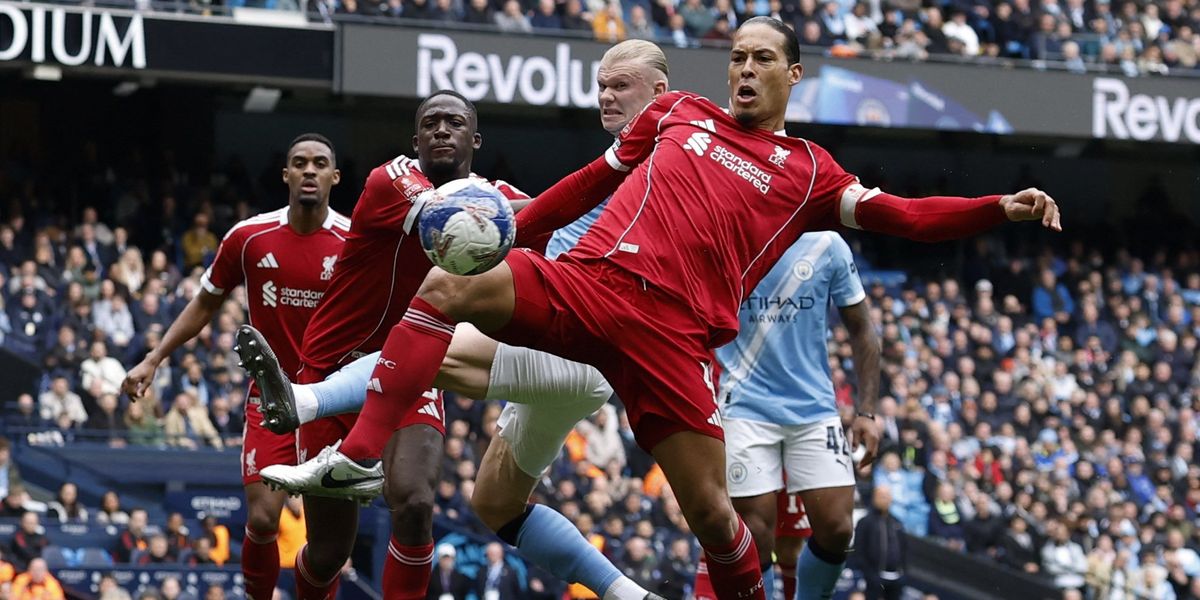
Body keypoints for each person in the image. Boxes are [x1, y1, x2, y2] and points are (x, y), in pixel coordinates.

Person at [268, 18, 1061, 598]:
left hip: (673, 337)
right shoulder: (678, 114)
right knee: (443, 291)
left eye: (762, 61)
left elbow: (909, 216)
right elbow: (585, 184)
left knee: (719, 522)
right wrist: (512, 230)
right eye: (737, 58)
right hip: (590, 284)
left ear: (793, 76)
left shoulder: (811, 172)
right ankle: (361, 451)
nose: (744, 71)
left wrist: (1001, 205)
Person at [253, 45, 671, 600]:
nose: (442, 132)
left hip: (417, 363)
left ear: (475, 141)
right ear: (415, 140)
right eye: (430, 124)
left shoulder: (498, 198)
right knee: (329, 552)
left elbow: (547, 218)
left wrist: (627, 187)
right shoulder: (390, 181)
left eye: (455, 124)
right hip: (333, 365)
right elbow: (467, 219)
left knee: (417, 505)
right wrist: (604, 171)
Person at [121, 133, 350, 600]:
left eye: (320, 163)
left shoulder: (353, 242)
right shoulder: (248, 236)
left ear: (335, 176)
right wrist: (155, 356)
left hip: (331, 401)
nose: (309, 171)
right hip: (271, 396)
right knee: (264, 519)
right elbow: (204, 303)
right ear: (286, 174)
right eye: (300, 163)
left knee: (325, 549)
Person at [693, 227, 880, 600]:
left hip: (815, 408)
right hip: (744, 407)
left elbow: (862, 329)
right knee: (755, 535)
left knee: (838, 527)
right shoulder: (728, 234)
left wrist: (867, 413)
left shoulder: (828, 245)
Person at [854, 487, 906, 600]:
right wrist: (870, 575)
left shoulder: (897, 522)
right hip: (874, 577)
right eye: (882, 496)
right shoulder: (865, 522)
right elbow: (859, 550)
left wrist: (903, 572)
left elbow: (904, 549)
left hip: (896, 578)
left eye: (887, 496)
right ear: (874, 498)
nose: (885, 499)